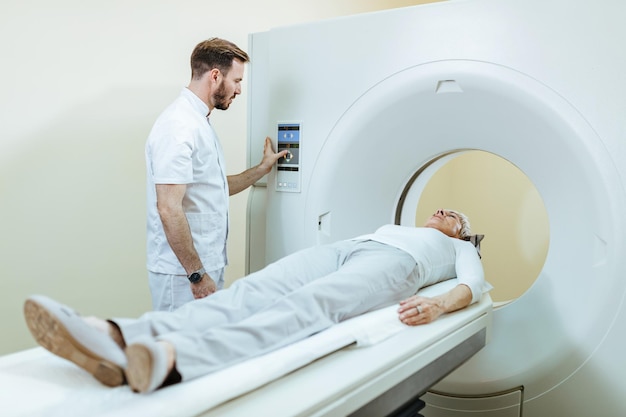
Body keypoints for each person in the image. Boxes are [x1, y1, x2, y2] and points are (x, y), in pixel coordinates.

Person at [24, 209, 488, 394]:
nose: (444, 212)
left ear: (461, 233)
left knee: (309, 305)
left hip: (396, 267)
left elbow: (473, 287)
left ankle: (173, 359)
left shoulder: (460, 248)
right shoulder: (394, 224)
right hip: (350, 247)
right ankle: (117, 334)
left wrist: (440, 305)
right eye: (441, 208)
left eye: (455, 216)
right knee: (252, 290)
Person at [145, 37, 287, 311]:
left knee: (202, 346)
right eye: (236, 80)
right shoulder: (178, 126)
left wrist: (262, 169)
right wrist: (196, 274)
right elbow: (168, 208)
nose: (239, 90)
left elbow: (214, 187)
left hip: (203, 266)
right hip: (183, 274)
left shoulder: (199, 122)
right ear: (215, 76)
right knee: (180, 347)